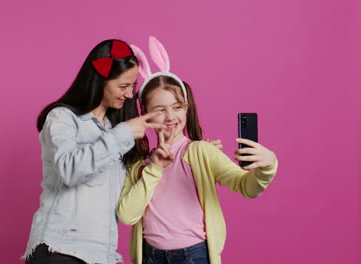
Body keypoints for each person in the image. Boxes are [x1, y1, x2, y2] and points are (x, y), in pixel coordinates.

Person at [116, 37, 278, 264]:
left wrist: (267, 166)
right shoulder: (138, 166)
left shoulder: (202, 152)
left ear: (186, 108)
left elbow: (246, 186)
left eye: (177, 107)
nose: (171, 117)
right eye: (160, 110)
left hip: (194, 256)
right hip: (150, 256)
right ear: (145, 113)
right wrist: (153, 169)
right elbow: (127, 215)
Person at [23, 39, 167, 264]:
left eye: (132, 86)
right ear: (100, 81)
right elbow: (69, 170)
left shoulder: (115, 129)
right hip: (61, 249)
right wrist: (123, 134)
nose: (129, 94)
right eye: (122, 86)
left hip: (102, 254)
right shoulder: (62, 118)